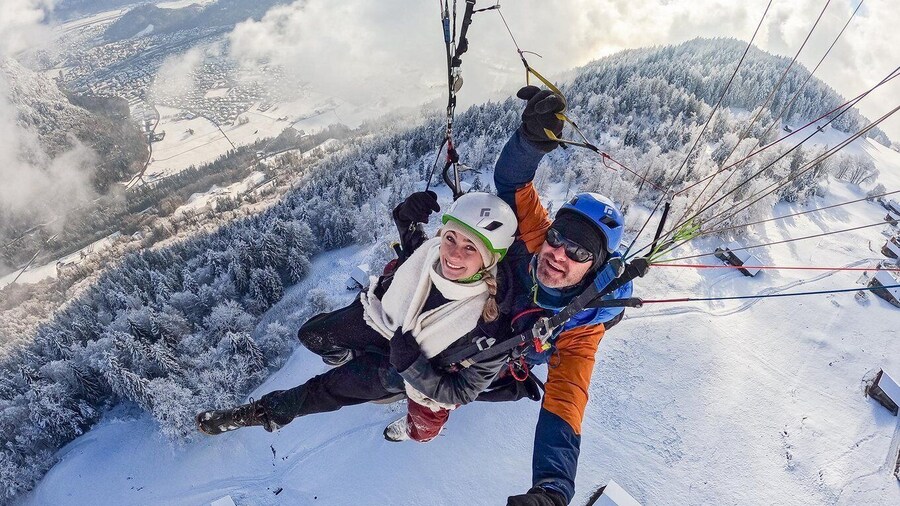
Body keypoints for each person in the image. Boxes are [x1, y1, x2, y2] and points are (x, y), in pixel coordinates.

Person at [195, 191, 521, 443]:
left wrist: (411, 365)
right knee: (312, 334)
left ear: (490, 258)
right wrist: (405, 218)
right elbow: (415, 251)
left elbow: (460, 393)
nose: (453, 254)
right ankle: (353, 355)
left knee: (326, 392)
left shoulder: (491, 328)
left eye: (470, 248)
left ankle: (251, 414)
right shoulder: (430, 256)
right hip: (382, 321)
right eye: (451, 238)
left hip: (404, 370)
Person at [493, 86, 635, 506]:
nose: (558, 254)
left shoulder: (581, 329)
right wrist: (530, 142)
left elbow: (566, 400)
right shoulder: (539, 239)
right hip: (498, 316)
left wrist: (553, 489)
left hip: (520, 345)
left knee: (510, 362)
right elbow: (512, 181)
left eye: (579, 253)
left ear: (593, 265)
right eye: (558, 238)